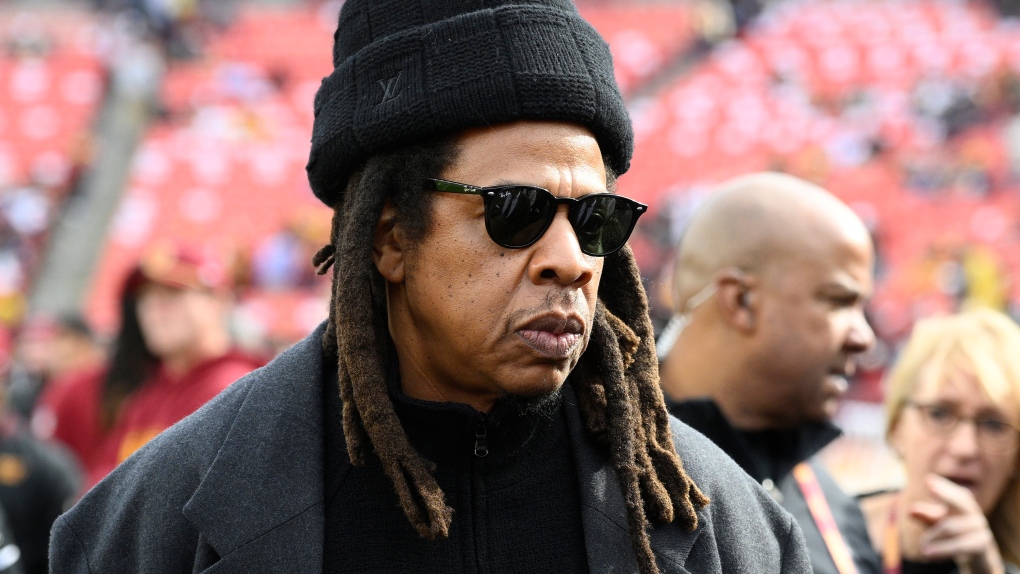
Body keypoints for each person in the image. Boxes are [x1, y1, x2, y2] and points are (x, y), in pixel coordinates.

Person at [49, 2, 812, 573]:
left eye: (596, 218)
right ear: (389, 237)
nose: (572, 261)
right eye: (517, 211)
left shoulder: (732, 525)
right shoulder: (151, 524)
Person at [658, 172, 882, 574]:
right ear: (741, 301)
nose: (864, 338)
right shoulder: (594, 470)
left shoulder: (832, 506)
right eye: (838, 301)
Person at [36, 243, 261, 489]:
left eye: (173, 294)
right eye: (146, 297)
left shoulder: (231, 387)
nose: (154, 309)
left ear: (219, 301)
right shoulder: (153, 388)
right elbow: (104, 481)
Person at [859, 309, 1020, 574]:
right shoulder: (821, 529)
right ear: (897, 425)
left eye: (994, 424)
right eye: (939, 413)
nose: (964, 448)